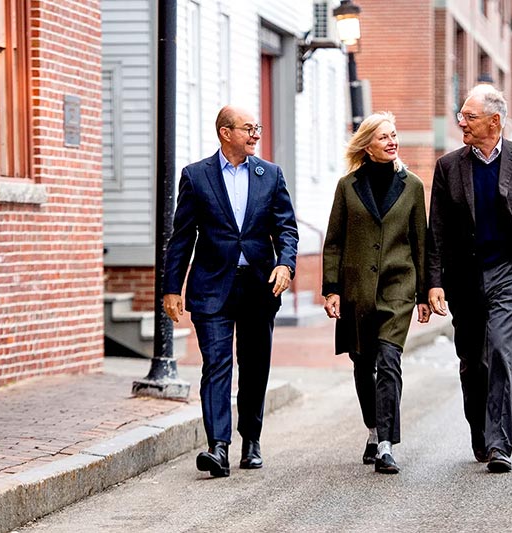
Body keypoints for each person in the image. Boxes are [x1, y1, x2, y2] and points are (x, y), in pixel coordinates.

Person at [163, 105, 299, 478]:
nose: (256, 134)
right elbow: (182, 236)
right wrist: (171, 287)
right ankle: (218, 447)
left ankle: (250, 439)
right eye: (248, 129)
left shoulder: (270, 175)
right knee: (217, 365)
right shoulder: (196, 176)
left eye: (257, 128)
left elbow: (286, 228)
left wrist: (285, 264)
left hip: (258, 284)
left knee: (255, 367)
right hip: (212, 286)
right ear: (226, 132)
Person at [426, 84, 512, 473]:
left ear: (494, 121)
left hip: (510, 273)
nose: (460, 122)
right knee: (472, 360)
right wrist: (433, 282)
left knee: (500, 349)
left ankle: (500, 444)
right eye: (461, 116)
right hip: (465, 275)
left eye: (469, 116)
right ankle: (481, 433)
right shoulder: (449, 166)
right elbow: (438, 231)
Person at [322, 112, 430, 474]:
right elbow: (334, 241)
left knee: (389, 360)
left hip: (398, 286)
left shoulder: (412, 185)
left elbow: (421, 242)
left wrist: (426, 292)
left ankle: (386, 443)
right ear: (367, 145)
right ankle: (373, 428)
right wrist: (331, 289)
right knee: (361, 362)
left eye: (394, 135)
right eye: (384, 137)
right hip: (357, 290)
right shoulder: (347, 186)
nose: (392, 141)